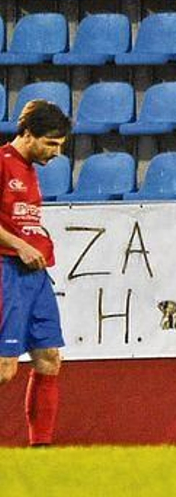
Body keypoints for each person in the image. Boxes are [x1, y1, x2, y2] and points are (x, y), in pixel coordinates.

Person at [0, 100, 71, 447]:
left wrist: (34, 242)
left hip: (34, 276)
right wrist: (20, 245)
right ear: (27, 133)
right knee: (5, 368)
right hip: (5, 271)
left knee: (48, 359)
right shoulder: (1, 163)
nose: (56, 153)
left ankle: (41, 450)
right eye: (51, 144)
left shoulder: (30, 169)